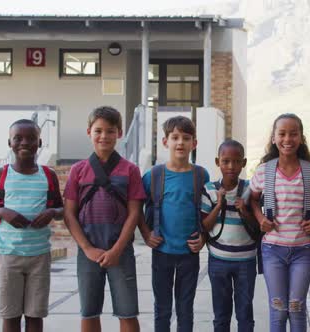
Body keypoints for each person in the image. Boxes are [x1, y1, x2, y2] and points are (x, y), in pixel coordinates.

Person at [63, 106, 145, 332]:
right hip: (88, 251)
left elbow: (135, 212)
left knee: (127, 312)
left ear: (119, 133)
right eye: (98, 131)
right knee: (89, 312)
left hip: (121, 251)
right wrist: (87, 248)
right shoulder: (78, 170)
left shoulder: (130, 170)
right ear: (89, 131)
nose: (104, 136)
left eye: (110, 131)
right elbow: (69, 213)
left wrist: (118, 249)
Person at [249, 113, 310, 332]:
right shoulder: (264, 171)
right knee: (279, 307)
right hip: (272, 249)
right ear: (274, 138)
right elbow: (252, 200)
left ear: (301, 138)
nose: (287, 139)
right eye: (282, 134)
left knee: (296, 306)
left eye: (294, 134)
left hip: (302, 250)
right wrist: (260, 217)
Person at [0, 119, 64, 332]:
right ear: (9, 142)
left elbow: (61, 211)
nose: (24, 142)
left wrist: (51, 212)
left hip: (39, 256)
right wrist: (3, 213)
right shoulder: (0, 175)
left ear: (39, 142)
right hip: (8, 255)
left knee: (35, 315)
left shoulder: (48, 175)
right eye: (18, 138)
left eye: (31, 138)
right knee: (10, 315)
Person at [138, 115, 208, 332]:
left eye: (186, 138)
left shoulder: (200, 175)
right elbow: (137, 209)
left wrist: (203, 238)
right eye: (175, 137)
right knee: (162, 308)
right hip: (162, 251)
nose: (180, 143)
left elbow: (207, 213)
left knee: (185, 308)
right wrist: (146, 233)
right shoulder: (153, 175)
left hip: (189, 252)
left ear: (194, 143)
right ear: (165, 142)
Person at [201, 139, 258, 332]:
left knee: (245, 313)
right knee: (221, 314)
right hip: (218, 260)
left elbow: (259, 227)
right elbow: (204, 225)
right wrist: (218, 205)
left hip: (246, 261)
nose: (231, 166)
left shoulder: (251, 189)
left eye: (236, 161)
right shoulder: (209, 189)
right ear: (218, 162)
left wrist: (245, 211)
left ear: (244, 162)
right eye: (226, 161)